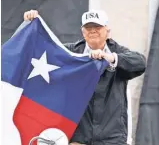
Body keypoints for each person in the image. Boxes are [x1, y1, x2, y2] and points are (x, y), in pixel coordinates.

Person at [23, 9, 146, 145]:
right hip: (77, 137)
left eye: (97, 27)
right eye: (88, 27)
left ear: (107, 31)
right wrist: (31, 27)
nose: (93, 30)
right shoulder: (70, 52)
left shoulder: (117, 52)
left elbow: (140, 63)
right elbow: (39, 52)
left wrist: (109, 58)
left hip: (112, 138)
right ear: (83, 32)